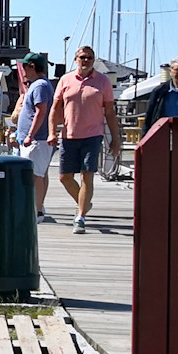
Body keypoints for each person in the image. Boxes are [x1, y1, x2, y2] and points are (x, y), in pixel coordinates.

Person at [50, 45, 119, 234]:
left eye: (89, 57)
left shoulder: (103, 82)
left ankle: (80, 217)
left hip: (93, 135)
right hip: (69, 134)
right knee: (65, 177)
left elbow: (110, 112)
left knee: (86, 175)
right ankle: (85, 203)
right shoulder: (65, 80)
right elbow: (55, 109)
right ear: (75, 59)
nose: (86, 60)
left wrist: (116, 139)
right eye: (82, 57)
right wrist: (52, 132)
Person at [10, 53, 55, 222]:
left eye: (24, 67)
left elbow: (41, 111)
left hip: (37, 140)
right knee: (38, 174)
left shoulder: (39, 87)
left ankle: (36, 212)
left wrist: (30, 134)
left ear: (32, 67)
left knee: (35, 175)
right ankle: (37, 207)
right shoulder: (39, 85)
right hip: (34, 140)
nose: (22, 71)